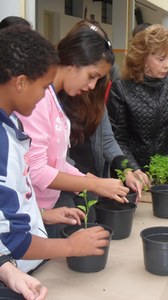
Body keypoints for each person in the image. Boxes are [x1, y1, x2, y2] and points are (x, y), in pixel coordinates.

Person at [0, 23, 110, 277]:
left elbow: (15, 200)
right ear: (20, 83)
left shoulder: (13, 123)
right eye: (42, 87)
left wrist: (45, 215)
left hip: (28, 262)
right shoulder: (4, 142)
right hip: (14, 270)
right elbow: (10, 237)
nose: (45, 96)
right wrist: (70, 246)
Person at [16, 20, 130, 238]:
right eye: (92, 76)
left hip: (46, 209)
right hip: (31, 213)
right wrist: (94, 184)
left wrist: (97, 183)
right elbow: (37, 171)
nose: (92, 86)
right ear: (73, 62)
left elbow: (58, 164)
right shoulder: (39, 100)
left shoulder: (52, 98)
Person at [107, 24, 168, 170]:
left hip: (163, 167)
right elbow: (117, 138)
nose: (167, 65)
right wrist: (134, 170)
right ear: (142, 58)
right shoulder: (121, 89)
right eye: (161, 59)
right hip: (130, 169)